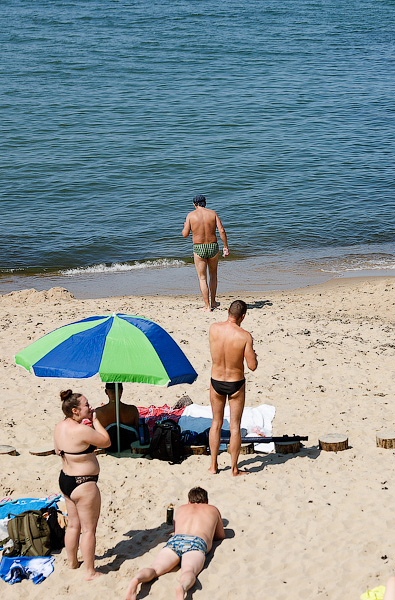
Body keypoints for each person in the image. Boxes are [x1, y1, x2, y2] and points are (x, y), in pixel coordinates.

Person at [125, 487, 225, 600]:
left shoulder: (181, 509)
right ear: (207, 501)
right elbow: (220, 536)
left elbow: (176, 529)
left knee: (155, 570)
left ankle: (136, 580)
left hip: (175, 541)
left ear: (189, 501)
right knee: (188, 571)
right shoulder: (213, 509)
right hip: (196, 543)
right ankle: (182, 587)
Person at [53, 389, 111, 580]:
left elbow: (56, 450)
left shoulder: (60, 427)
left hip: (66, 479)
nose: (90, 406)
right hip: (84, 483)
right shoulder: (82, 430)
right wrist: (95, 421)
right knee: (88, 530)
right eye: (86, 405)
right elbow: (106, 441)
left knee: (73, 526)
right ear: (76, 411)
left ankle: (72, 562)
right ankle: (90, 571)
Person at [208, 300, 258, 476]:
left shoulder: (213, 328)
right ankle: (234, 469)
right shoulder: (245, 336)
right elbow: (252, 366)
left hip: (216, 381)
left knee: (216, 423)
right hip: (235, 383)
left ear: (228, 311)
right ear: (243, 316)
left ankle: (214, 466)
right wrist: (255, 355)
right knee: (235, 426)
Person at [182, 194, 229, 312]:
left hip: (199, 248)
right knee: (213, 275)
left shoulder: (190, 215)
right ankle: (213, 301)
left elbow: (185, 234)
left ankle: (207, 306)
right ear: (205, 203)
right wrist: (225, 247)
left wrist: (185, 227)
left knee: (202, 278)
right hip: (213, 246)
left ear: (194, 204)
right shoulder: (213, 213)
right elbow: (222, 230)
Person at [93, 382, 139, 452]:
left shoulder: (99, 412)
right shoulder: (132, 410)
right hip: (129, 443)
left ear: (106, 392)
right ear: (121, 390)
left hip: (108, 445)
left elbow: (93, 433)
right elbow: (139, 429)